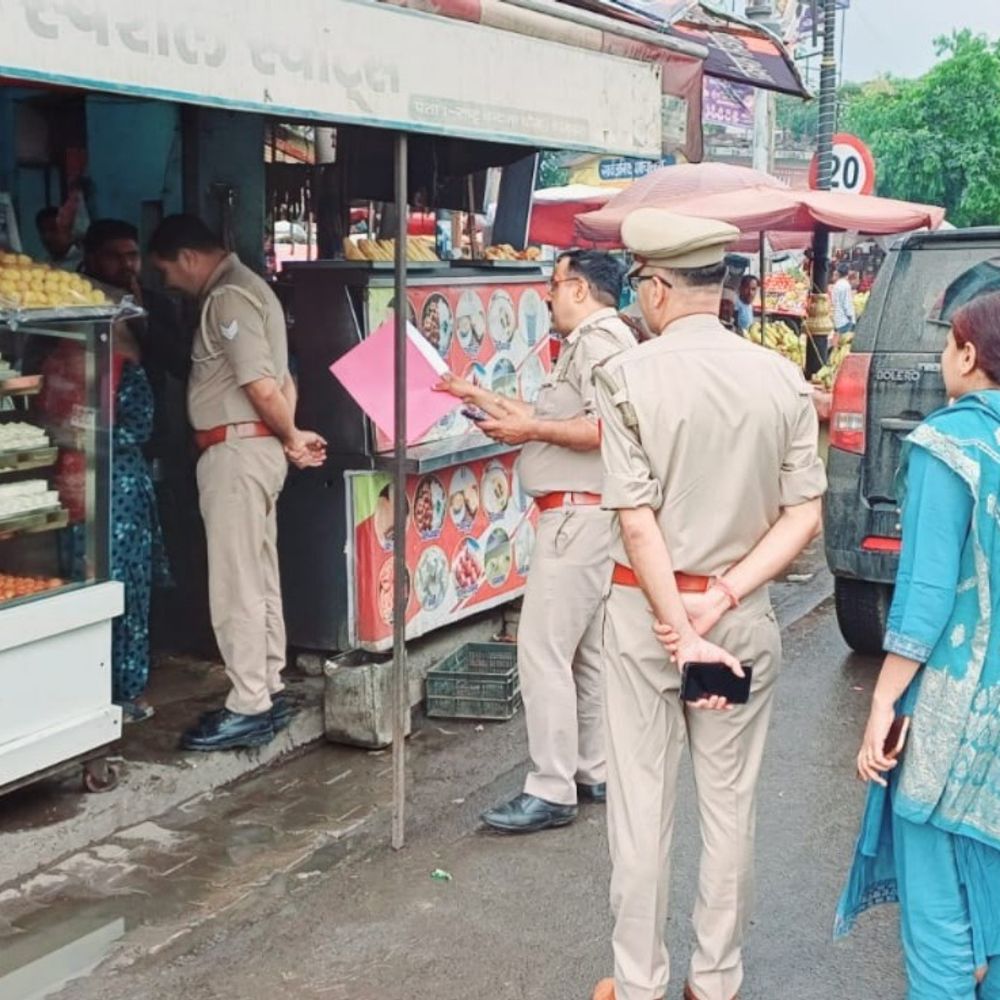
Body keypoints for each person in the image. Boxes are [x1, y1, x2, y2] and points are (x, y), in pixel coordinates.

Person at [590, 208, 826, 1000]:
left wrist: (678, 622)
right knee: (729, 811)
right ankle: (714, 982)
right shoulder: (780, 378)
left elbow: (636, 519)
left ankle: (640, 981)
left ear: (656, 288)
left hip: (644, 622)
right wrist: (721, 596)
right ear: (718, 287)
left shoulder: (627, 377)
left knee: (641, 814)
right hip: (740, 620)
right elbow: (804, 513)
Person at [836, 292, 1000, 1000]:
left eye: (947, 344)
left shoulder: (950, 446)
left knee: (941, 929)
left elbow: (927, 595)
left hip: (961, 721)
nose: (940, 357)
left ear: (968, 354)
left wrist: (883, 702)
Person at [437, 250, 636, 832]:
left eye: (552, 284)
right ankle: (590, 768)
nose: (547, 296)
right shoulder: (599, 342)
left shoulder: (598, 342)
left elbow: (605, 429)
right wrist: (477, 395)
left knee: (542, 651)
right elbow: (550, 414)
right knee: (585, 653)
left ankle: (551, 787)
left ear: (578, 288)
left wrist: (528, 429)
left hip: (577, 520)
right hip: (591, 517)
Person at [148, 214, 327, 752]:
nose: (167, 284)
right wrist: (286, 438)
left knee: (235, 581)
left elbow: (260, 384)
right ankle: (267, 685)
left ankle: (248, 702)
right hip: (254, 448)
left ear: (187, 257)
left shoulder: (228, 297)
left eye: (166, 272)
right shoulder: (256, 290)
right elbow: (284, 376)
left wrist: (292, 436)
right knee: (257, 572)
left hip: (236, 452)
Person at [35, 206, 82, 271]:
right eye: (42, 231)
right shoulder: (43, 264)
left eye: (53, 229)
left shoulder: (82, 262)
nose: (47, 236)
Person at [832, 261, 856, 335]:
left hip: (837, 319)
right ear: (847, 273)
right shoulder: (846, 285)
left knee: (839, 342)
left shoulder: (836, 285)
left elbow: (834, 301)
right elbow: (847, 304)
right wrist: (850, 317)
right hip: (845, 320)